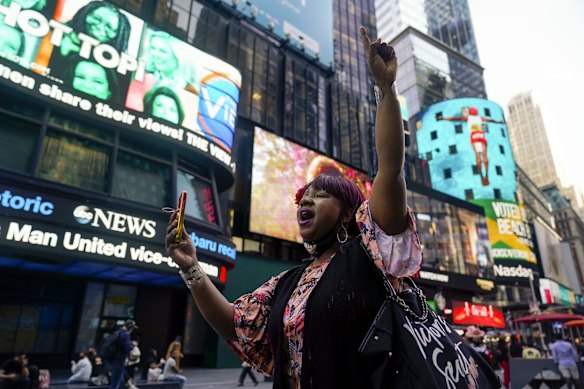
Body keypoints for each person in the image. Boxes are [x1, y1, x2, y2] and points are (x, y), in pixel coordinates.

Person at [165, 27, 425, 388]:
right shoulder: (289, 282)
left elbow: (391, 169)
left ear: (349, 213)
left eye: (320, 195)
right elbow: (235, 324)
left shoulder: (371, 254)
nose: (305, 200)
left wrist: (386, 90)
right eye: (303, 196)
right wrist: (191, 267)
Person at [48, 1, 131, 80]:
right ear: (85, 14)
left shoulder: (120, 64)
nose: (100, 27)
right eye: (96, 18)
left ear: (118, 35)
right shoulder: (59, 32)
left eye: (109, 27)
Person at [103, 320, 136, 389]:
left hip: (111, 360)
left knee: (119, 381)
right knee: (116, 384)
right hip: (119, 360)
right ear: (130, 327)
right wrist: (133, 345)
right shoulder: (125, 335)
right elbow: (128, 348)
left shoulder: (117, 332)